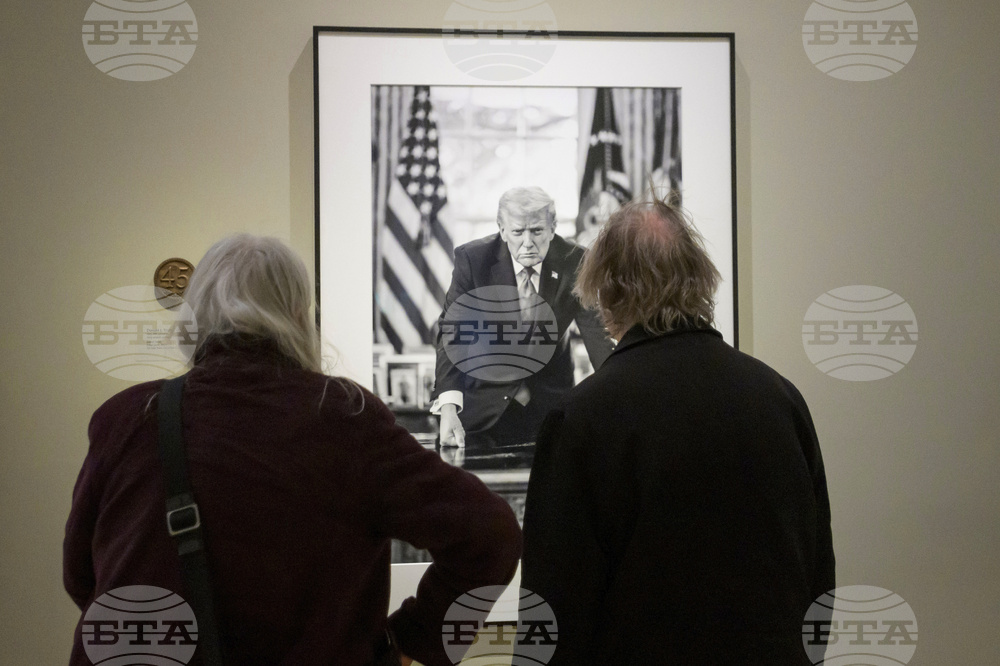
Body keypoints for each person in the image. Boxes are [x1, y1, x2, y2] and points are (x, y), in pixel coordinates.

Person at [64, 234, 522, 665]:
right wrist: (413, 640)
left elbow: (82, 576)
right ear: (303, 314)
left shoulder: (126, 417)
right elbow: (492, 535)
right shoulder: (345, 418)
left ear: (194, 316)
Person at [520, 194, 836, 664]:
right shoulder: (780, 399)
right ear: (700, 282)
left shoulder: (581, 419)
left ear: (605, 294)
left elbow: (552, 615)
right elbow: (818, 579)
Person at [432, 186, 614, 447]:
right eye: (518, 232)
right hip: (483, 409)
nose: (528, 242)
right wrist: (448, 408)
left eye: (537, 231)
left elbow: (599, 339)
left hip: (550, 409)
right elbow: (452, 334)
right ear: (502, 229)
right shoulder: (473, 260)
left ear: (552, 228)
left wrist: (622, 400)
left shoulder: (576, 261)